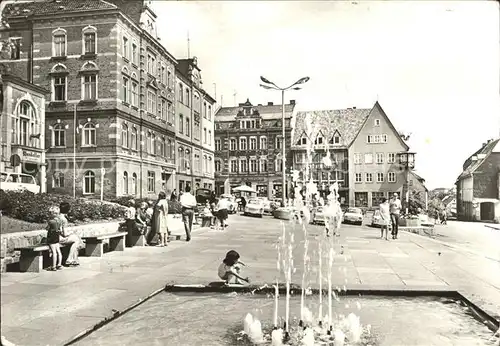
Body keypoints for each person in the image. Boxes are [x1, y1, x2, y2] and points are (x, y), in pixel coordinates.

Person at [58, 202, 83, 266]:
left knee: (75, 238)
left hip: (54, 237)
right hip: (60, 239)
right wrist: (71, 233)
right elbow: (65, 234)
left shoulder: (57, 217)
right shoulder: (64, 220)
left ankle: (75, 260)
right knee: (76, 240)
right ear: (68, 210)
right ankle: (69, 259)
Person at [46, 206, 63, 271]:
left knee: (53, 252)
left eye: (50, 213)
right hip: (57, 236)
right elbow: (61, 229)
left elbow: (47, 228)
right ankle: (59, 264)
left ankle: (53, 266)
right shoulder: (59, 221)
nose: (49, 214)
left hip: (51, 237)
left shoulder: (51, 221)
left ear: (52, 214)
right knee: (58, 251)